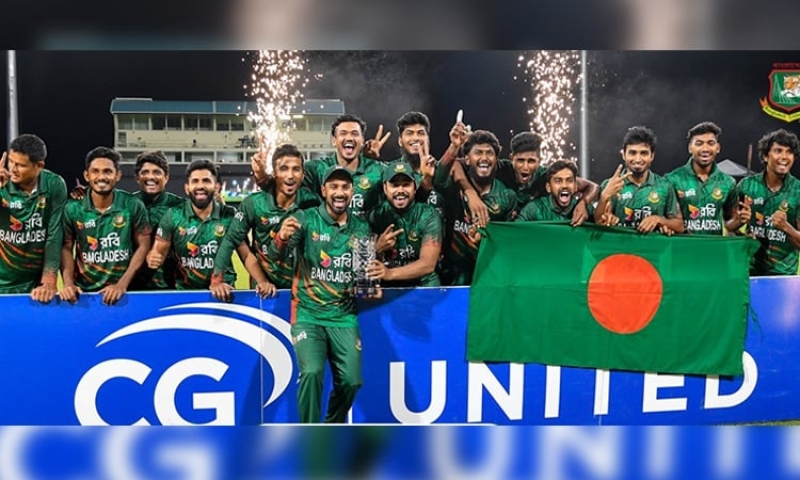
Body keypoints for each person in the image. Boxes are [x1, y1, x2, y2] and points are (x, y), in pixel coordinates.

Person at [269, 165, 379, 423]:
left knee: (351, 381)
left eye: (345, 187)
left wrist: (370, 285)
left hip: (343, 317)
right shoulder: (306, 219)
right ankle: (310, 435)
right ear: (323, 190)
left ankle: (332, 427)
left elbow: (362, 281)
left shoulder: (361, 228)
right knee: (312, 372)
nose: (339, 192)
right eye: (333, 186)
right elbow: (276, 257)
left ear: (352, 191)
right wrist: (281, 238)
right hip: (307, 314)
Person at [211, 144, 319, 300]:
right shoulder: (254, 204)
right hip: (264, 290)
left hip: (301, 291)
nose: (290, 175)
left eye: (296, 169)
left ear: (303, 175)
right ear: (274, 173)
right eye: (284, 169)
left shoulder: (312, 202)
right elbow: (230, 240)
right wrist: (217, 279)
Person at [59, 147, 151, 305]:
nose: (101, 177)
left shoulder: (132, 205)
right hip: (84, 295)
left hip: (125, 294)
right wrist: (68, 283)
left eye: (107, 171)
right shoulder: (72, 209)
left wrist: (122, 284)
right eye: (95, 171)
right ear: (87, 176)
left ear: (117, 175)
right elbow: (66, 247)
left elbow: (144, 245)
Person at [449, 131, 599, 226]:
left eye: (531, 161)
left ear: (539, 161)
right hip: (502, 226)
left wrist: (583, 203)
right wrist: (470, 192)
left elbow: (593, 187)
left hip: (528, 230)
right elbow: (455, 164)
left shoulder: (547, 176)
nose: (525, 167)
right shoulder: (500, 167)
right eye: (520, 161)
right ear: (511, 158)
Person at [434, 124, 517, 285]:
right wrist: (454, 146)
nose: (484, 158)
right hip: (454, 274)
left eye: (489, 153)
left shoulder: (507, 197)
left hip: (490, 273)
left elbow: (509, 240)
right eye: (478, 152)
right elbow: (438, 179)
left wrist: (485, 237)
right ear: (467, 159)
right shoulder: (455, 187)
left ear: (496, 160)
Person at [145, 159, 241, 289]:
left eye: (206, 181)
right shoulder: (173, 215)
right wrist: (153, 257)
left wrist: (261, 281)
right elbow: (158, 252)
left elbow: (247, 255)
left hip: (224, 292)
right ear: (187, 188)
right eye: (195, 181)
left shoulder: (230, 215)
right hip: (186, 294)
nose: (200, 186)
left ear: (216, 187)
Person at [0, 134, 68, 303]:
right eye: (11, 162)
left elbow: (54, 235)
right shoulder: (2, 183)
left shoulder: (54, 185)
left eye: (20, 165)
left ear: (39, 166)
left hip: (34, 284)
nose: (13, 169)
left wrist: (49, 280)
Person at [733, 128, 800, 276]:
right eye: (778, 151)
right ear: (765, 156)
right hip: (750, 271)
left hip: (783, 275)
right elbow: (729, 228)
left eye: (789, 152)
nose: (784, 157)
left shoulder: (798, 191)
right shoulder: (746, 186)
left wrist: (786, 227)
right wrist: (740, 232)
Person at [594, 126, 685, 235]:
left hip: (652, 246)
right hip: (619, 245)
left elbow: (680, 226)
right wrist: (604, 198)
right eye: (632, 153)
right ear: (624, 155)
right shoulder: (610, 185)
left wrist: (658, 220)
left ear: (652, 156)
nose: (638, 159)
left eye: (644, 153)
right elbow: (598, 220)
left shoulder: (664, 186)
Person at [366, 159, 442, 287]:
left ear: (415, 187)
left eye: (406, 184)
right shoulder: (375, 216)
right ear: (385, 188)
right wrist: (378, 248)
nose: (400, 190)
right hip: (388, 286)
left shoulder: (428, 215)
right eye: (395, 185)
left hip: (424, 284)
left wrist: (390, 273)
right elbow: (363, 261)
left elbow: (428, 264)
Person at [300, 113, 389, 219]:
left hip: (366, 229)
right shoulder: (317, 169)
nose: (349, 138)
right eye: (343, 133)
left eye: (355, 134)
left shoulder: (378, 170)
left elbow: (403, 175)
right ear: (334, 140)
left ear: (362, 140)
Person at [664, 122, 741, 235]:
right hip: (682, 245)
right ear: (690, 148)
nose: (705, 149)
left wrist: (740, 220)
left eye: (710, 143)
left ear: (718, 148)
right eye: (699, 143)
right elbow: (667, 219)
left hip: (714, 245)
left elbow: (729, 223)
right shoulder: (672, 180)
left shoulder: (728, 182)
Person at [130, 150, 186, 289]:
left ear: (166, 177)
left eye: (157, 172)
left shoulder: (180, 206)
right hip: (133, 286)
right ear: (137, 178)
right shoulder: (126, 204)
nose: (150, 177)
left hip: (171, 285)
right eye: (145, 172)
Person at [390, 111, 444, 219]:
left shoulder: (441, 171)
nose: (416, 138)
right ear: (400, 141)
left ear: (428, 139)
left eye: (421, 133)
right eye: (409, 133)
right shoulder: (388, 172)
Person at [515, 159, 593, 222]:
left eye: (569, 180)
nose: (564, 186)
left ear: (575, 186)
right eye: (558, 181)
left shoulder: (585, 209)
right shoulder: (534, 209)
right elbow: (514, 231)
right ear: (548, 187)